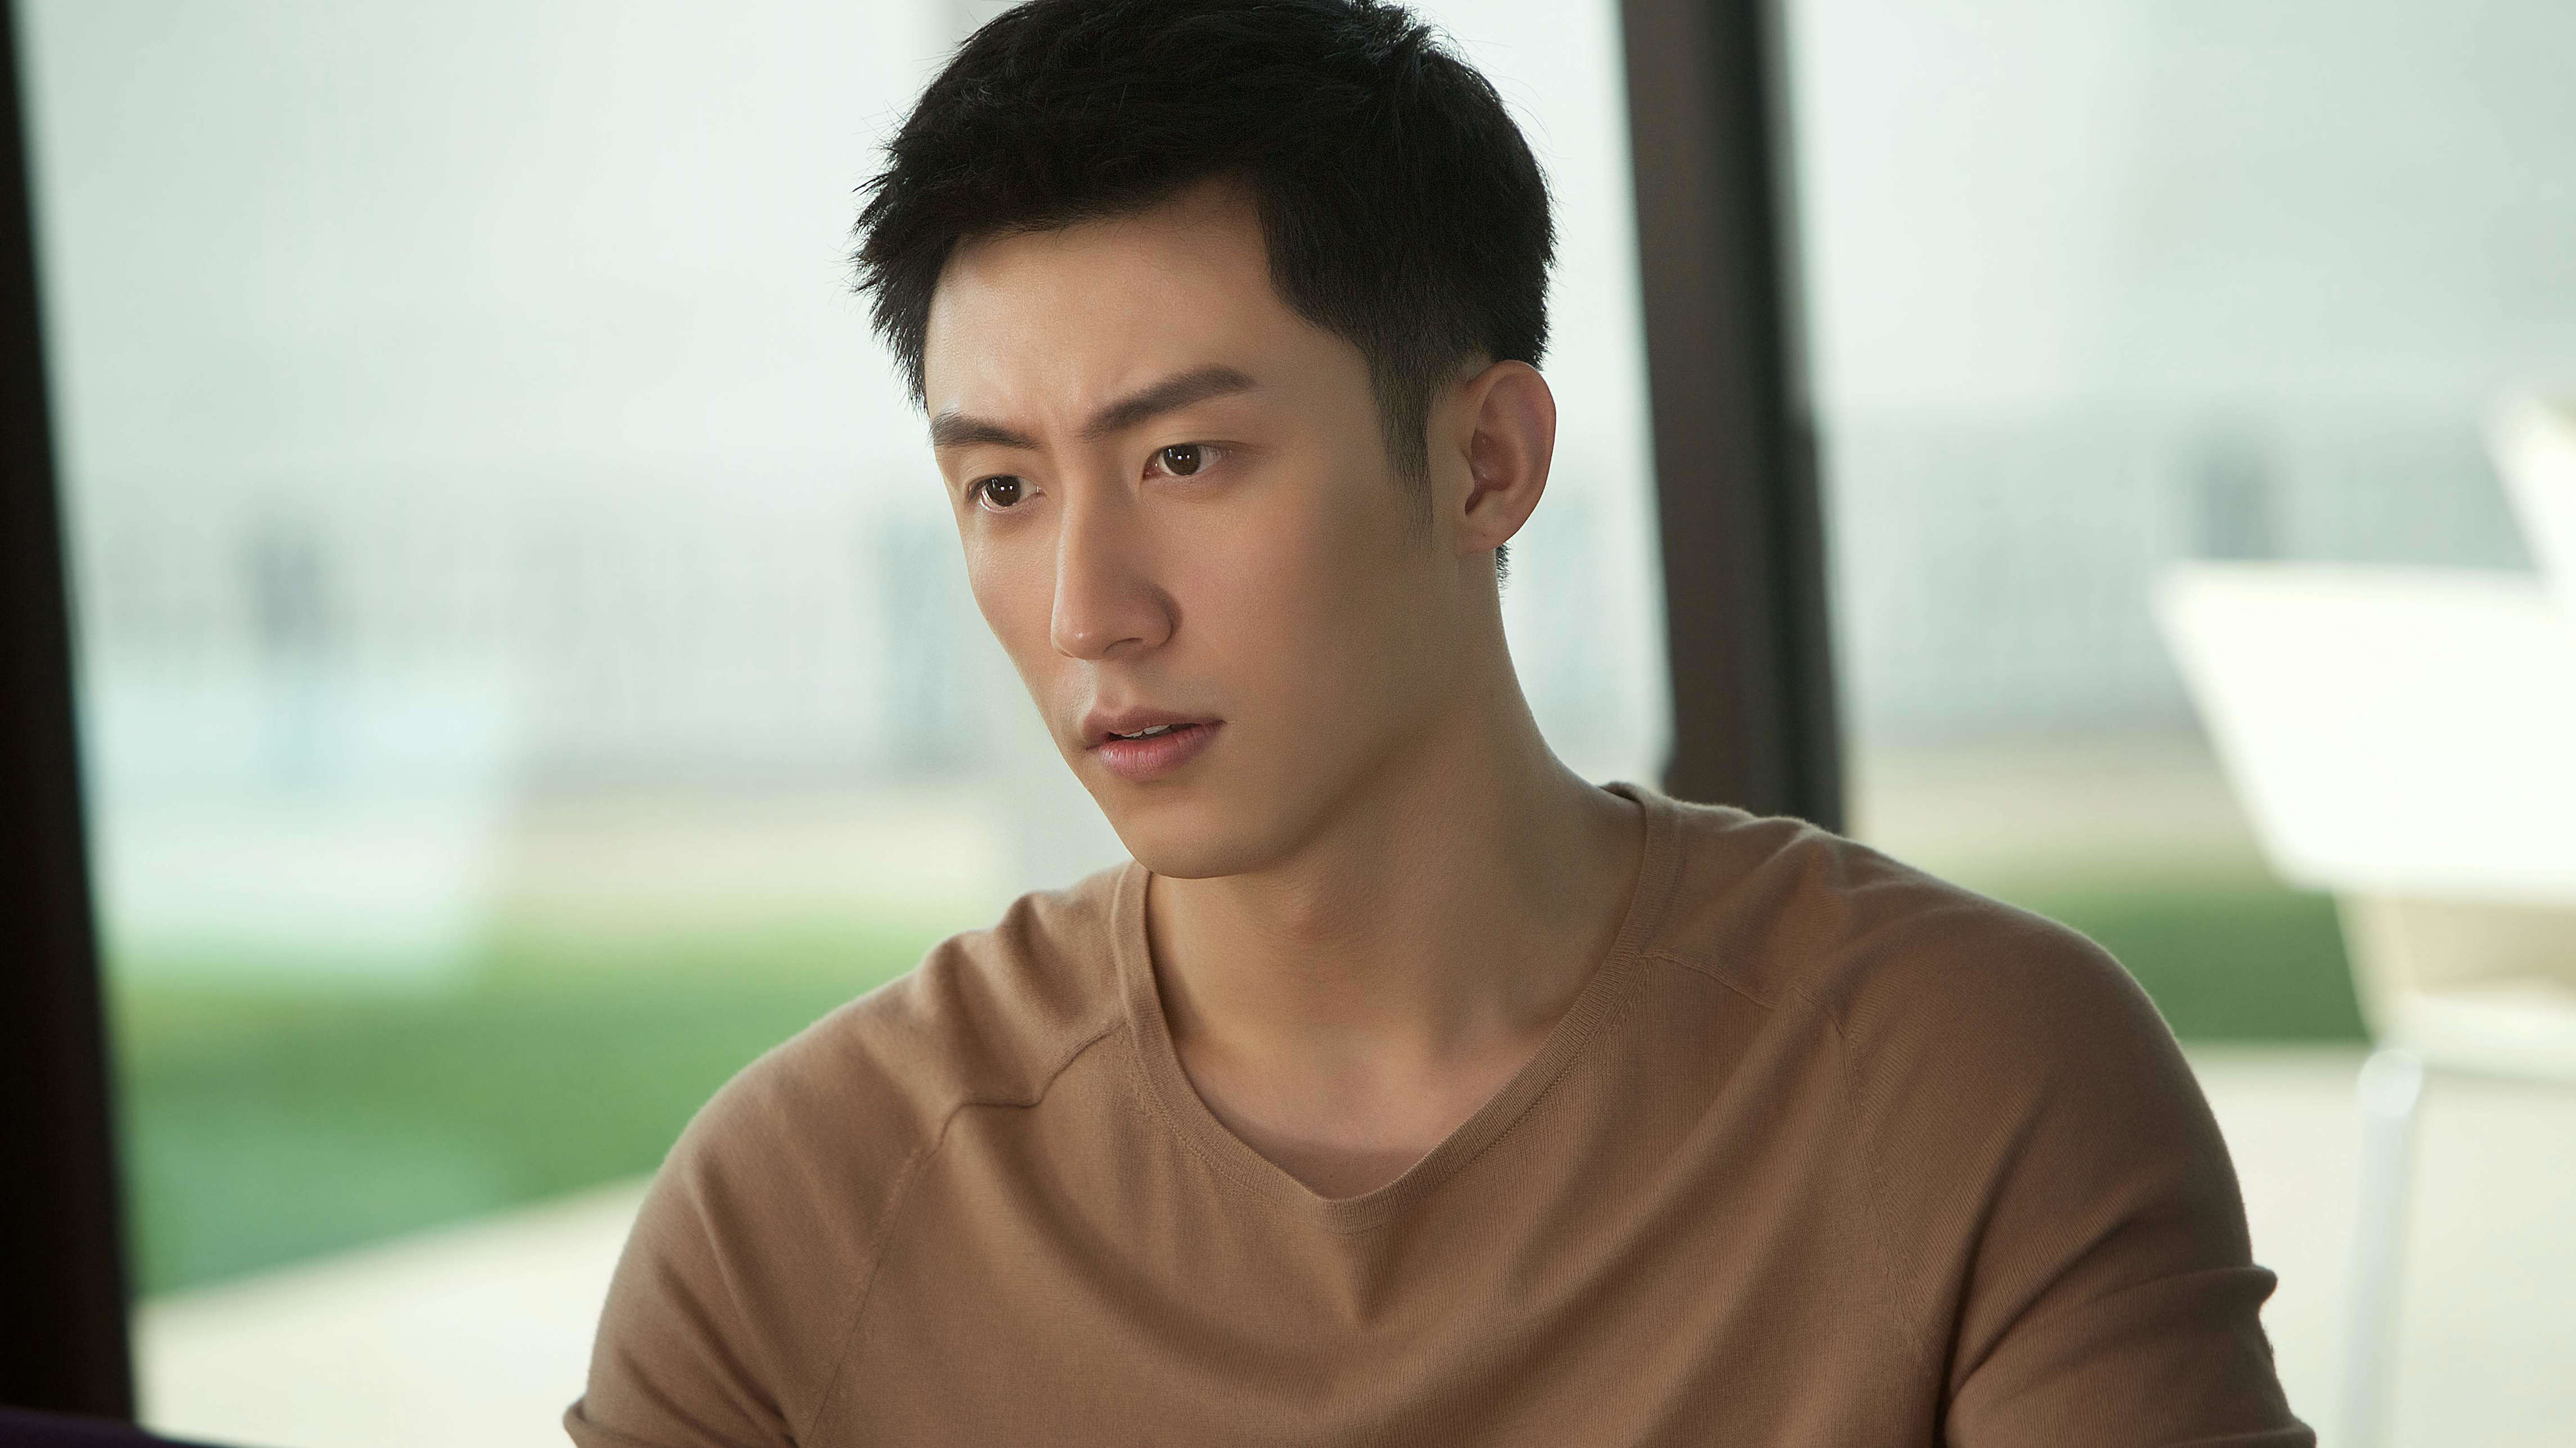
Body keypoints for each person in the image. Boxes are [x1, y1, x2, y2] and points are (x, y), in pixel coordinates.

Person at [566, 1, 2312, 1442]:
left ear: (1485, 461)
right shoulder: (801, 1211)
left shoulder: (1977, 1085)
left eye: (1185, 459)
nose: (1090, 608)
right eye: (1004, 488)